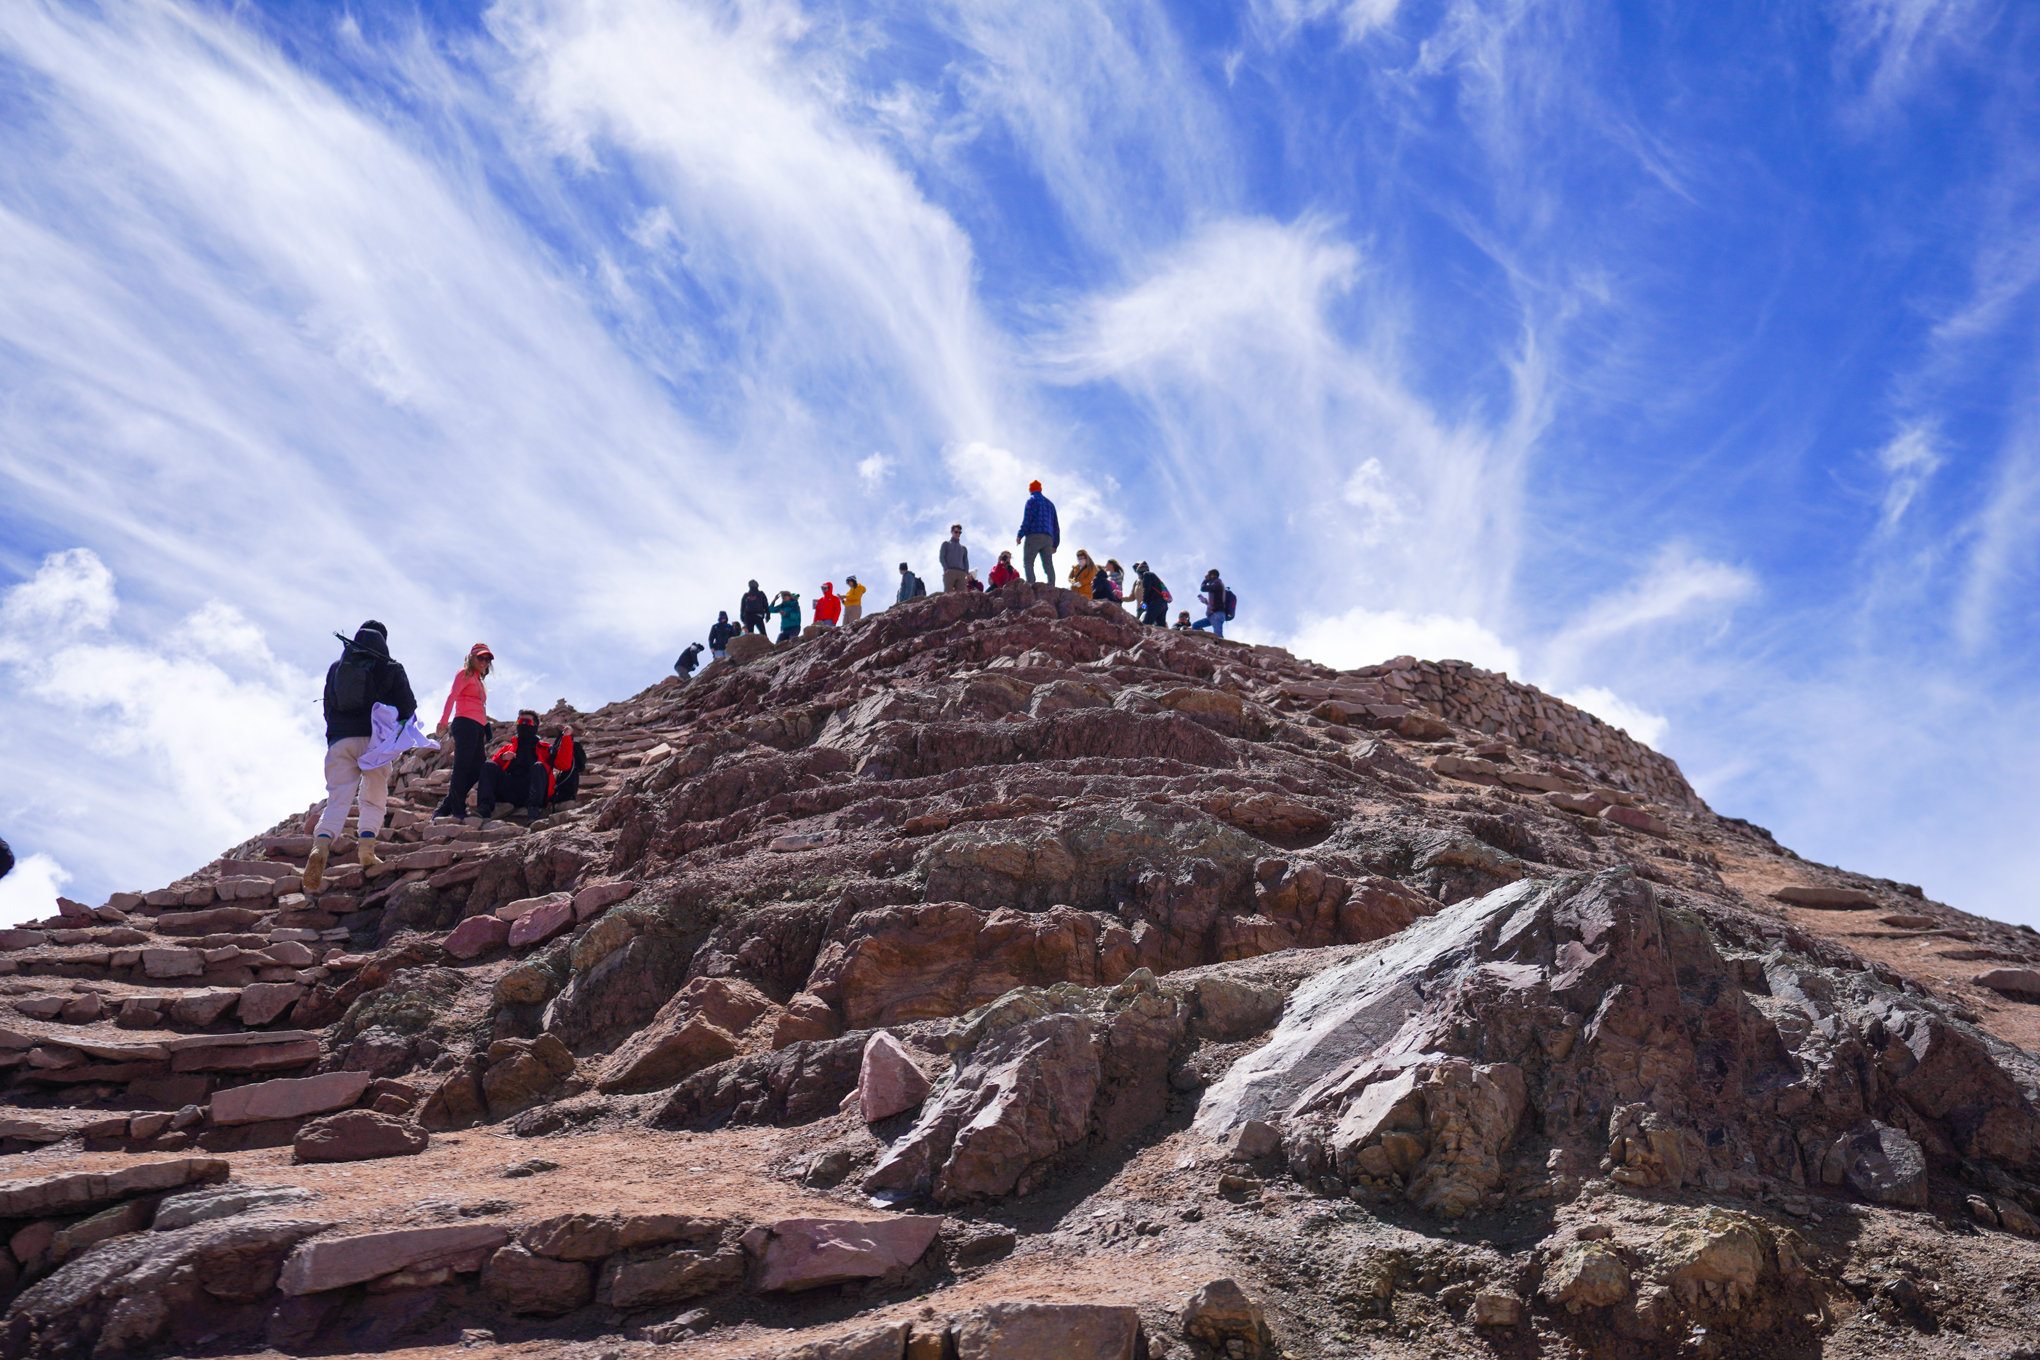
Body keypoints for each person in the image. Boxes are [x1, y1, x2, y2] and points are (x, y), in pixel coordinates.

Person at [306, 620, 416, 893]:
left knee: (338, 799)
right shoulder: (391, 667)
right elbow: (408, 707)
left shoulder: (337, 668)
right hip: (376, 743)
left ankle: (320, 846)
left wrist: (336, 736)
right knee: (374, 796)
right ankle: (367, 850)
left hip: (340, 741)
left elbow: (328, 705)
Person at [431, 643, 495, 823]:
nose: (484, 662)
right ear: (472, 657)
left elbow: (479, 706)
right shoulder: (464, 673)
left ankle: (446, 806)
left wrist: (485, 726)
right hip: (464, 723)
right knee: (462, 767)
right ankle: (458, 809)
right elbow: (452, 696)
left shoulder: (478, 680)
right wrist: (443, 720)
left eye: (487, 659)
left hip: (477, 726)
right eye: (481, 658)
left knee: (477, 769)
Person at [479, 711, 583, 820]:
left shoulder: (545, 748)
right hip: (510, 789)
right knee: (488, 765)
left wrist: (566, 738)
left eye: (527, 721)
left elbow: (564, 765)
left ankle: (533, 810)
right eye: (520, 721)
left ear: (535, 726)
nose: (523, 724)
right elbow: (491, 769)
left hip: (535, 791)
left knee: (538, 766)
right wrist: (502, 758)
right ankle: (484, 808)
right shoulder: (508, 748)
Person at [1015, 480, 1060, 584]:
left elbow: (1027, 519)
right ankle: (1051, 585)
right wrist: (1055, 544)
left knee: (1028, 561)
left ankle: (1031, 584)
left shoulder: (1031, 501)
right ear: (1041, 489)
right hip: (1048, 538)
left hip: (1034, 535)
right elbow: (1055, 525)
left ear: (1030, 489)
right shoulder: (1050, 504)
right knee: (1048, 563)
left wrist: (1020, 535)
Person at [1191, 569, 1229, 638]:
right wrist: (1206, 602)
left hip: (1217, 614)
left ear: (1212, 575)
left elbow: (1203, 588)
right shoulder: (1216, 585)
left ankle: (1221, 647)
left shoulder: (1217, 583)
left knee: (1218, 636)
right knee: (1195, 625)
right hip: (1213, 615)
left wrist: (1205, 580)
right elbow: (1216, 601)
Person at [1133, 561, 1171, 627]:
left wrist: (1143, 600)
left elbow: (1147, 588)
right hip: (1164, 604)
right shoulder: (1155, 577)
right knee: (1160, 626)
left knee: (1145, 624)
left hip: (1155, 603)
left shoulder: (1146, 575)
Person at [940, 524, 970, 592]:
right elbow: (942, 557)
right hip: (950, 572)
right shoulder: (946, 544)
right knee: (948, 594)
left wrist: (966, 572)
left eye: (960, 532)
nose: (958, 534)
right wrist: (946, 569)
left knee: (962, 595)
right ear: (951, 532)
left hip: (961, 573)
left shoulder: (963, 548)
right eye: (956, 532)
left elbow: (965, 561)